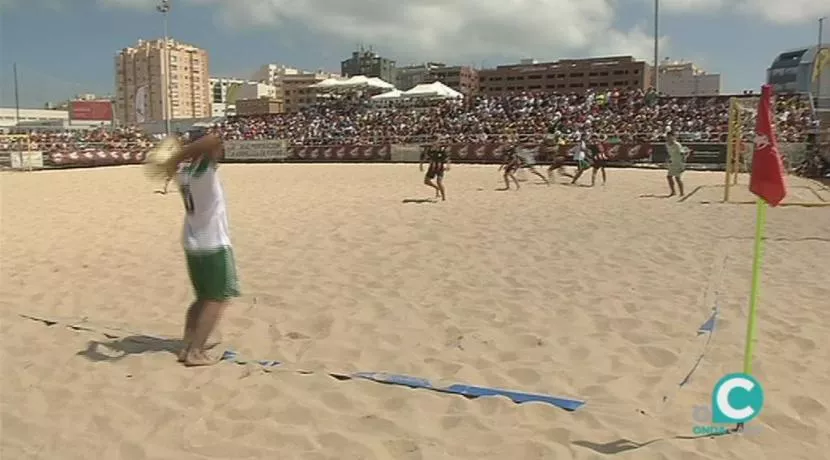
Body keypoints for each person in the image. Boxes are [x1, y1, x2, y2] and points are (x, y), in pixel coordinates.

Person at [161, 132, 241, 366]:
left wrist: (180, 152)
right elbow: (213, 141)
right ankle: (196, 351)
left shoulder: (182, 173)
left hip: (192, 240)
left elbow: (202, 147)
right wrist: (196, 147)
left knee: (202, 299)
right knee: (217, 299)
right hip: (212, 243)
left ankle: (188, 344)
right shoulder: (203, 172)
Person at [665, 131, 689, 197]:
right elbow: (669, 153)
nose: (668, 138)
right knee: (669, 177)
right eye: (667, 136)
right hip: (672, 162)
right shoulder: (667, 144)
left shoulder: (677, 145)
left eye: (670, 136)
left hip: (678, 162)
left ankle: (682, 193)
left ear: (673, 137)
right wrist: (668, 159)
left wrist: (683, 164)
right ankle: (673, 192)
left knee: (677, 178)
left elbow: (682, 154)